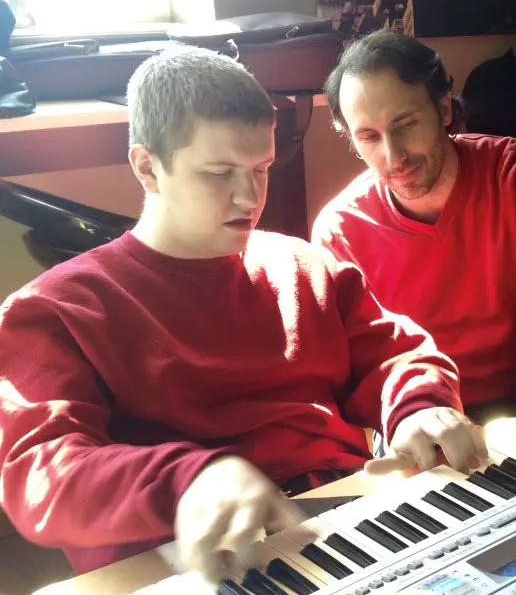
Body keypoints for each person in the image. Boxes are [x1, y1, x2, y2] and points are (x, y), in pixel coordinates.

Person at [0, 47, 487, 583]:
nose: (248, 195)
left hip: (348, 520)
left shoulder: (304, 265)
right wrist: (188, 480)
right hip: (193, 557)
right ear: (147, 167)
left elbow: (398, 355)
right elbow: (41, 473)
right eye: (218, 172)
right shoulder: (52, 312)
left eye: (261, 168)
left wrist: (418, 406)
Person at [312, 31, 516, 455]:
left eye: (406, 125)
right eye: (368, 137)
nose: (393, 156)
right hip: (417, 422)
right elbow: (349, 366)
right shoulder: (339, 229)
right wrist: (408, 413)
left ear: (444, 108)